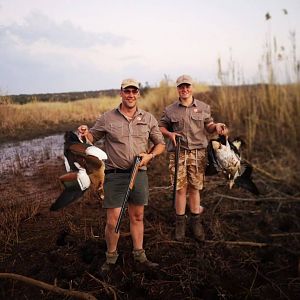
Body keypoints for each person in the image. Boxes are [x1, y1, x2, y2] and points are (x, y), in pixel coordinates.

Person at [78, 78, 165, 273]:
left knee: (137, 216)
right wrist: (84, 133)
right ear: (121, 93)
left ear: (138, 94)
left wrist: (150, 156)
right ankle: (111, 257)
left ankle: (139, 255)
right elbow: (92, 137)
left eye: (134, 91)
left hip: (138, 173)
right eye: (127, 91)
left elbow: (160, 144)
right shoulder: (107, 118)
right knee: (113, 219)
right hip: (114, 175)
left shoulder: (148, 118)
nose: (131, 95)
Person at [159, 74, 227, 241]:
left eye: (187, 86)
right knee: (180, 189)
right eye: (181, 87)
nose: (185, 89)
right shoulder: (170, 110)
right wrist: (169, 133)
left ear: (192, 88)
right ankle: (180, 223)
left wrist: (217, 126)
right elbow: (160, 127)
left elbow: (209, 126)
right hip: (178, 153)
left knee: (195, 188)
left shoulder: (203, 107)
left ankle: (196, 222)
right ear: (177, 89)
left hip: (198, 153)